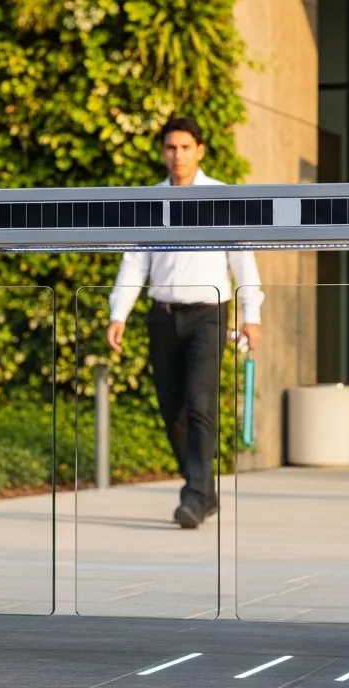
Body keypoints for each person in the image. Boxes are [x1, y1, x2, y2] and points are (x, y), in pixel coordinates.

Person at [106, 116, 264, 530]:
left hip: (209, 315)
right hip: (163, 315)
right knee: (170, 410)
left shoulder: (220, 198)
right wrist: (118, 313)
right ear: (163, 153)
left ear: (200, 151)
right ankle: (204, 490)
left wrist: (253, 316)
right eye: (170, 148)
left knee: (199, 404)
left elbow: (242, 260)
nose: (177, 156)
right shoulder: (150, 200)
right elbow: (134, 262)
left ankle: (194, 497)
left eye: (185, 148)